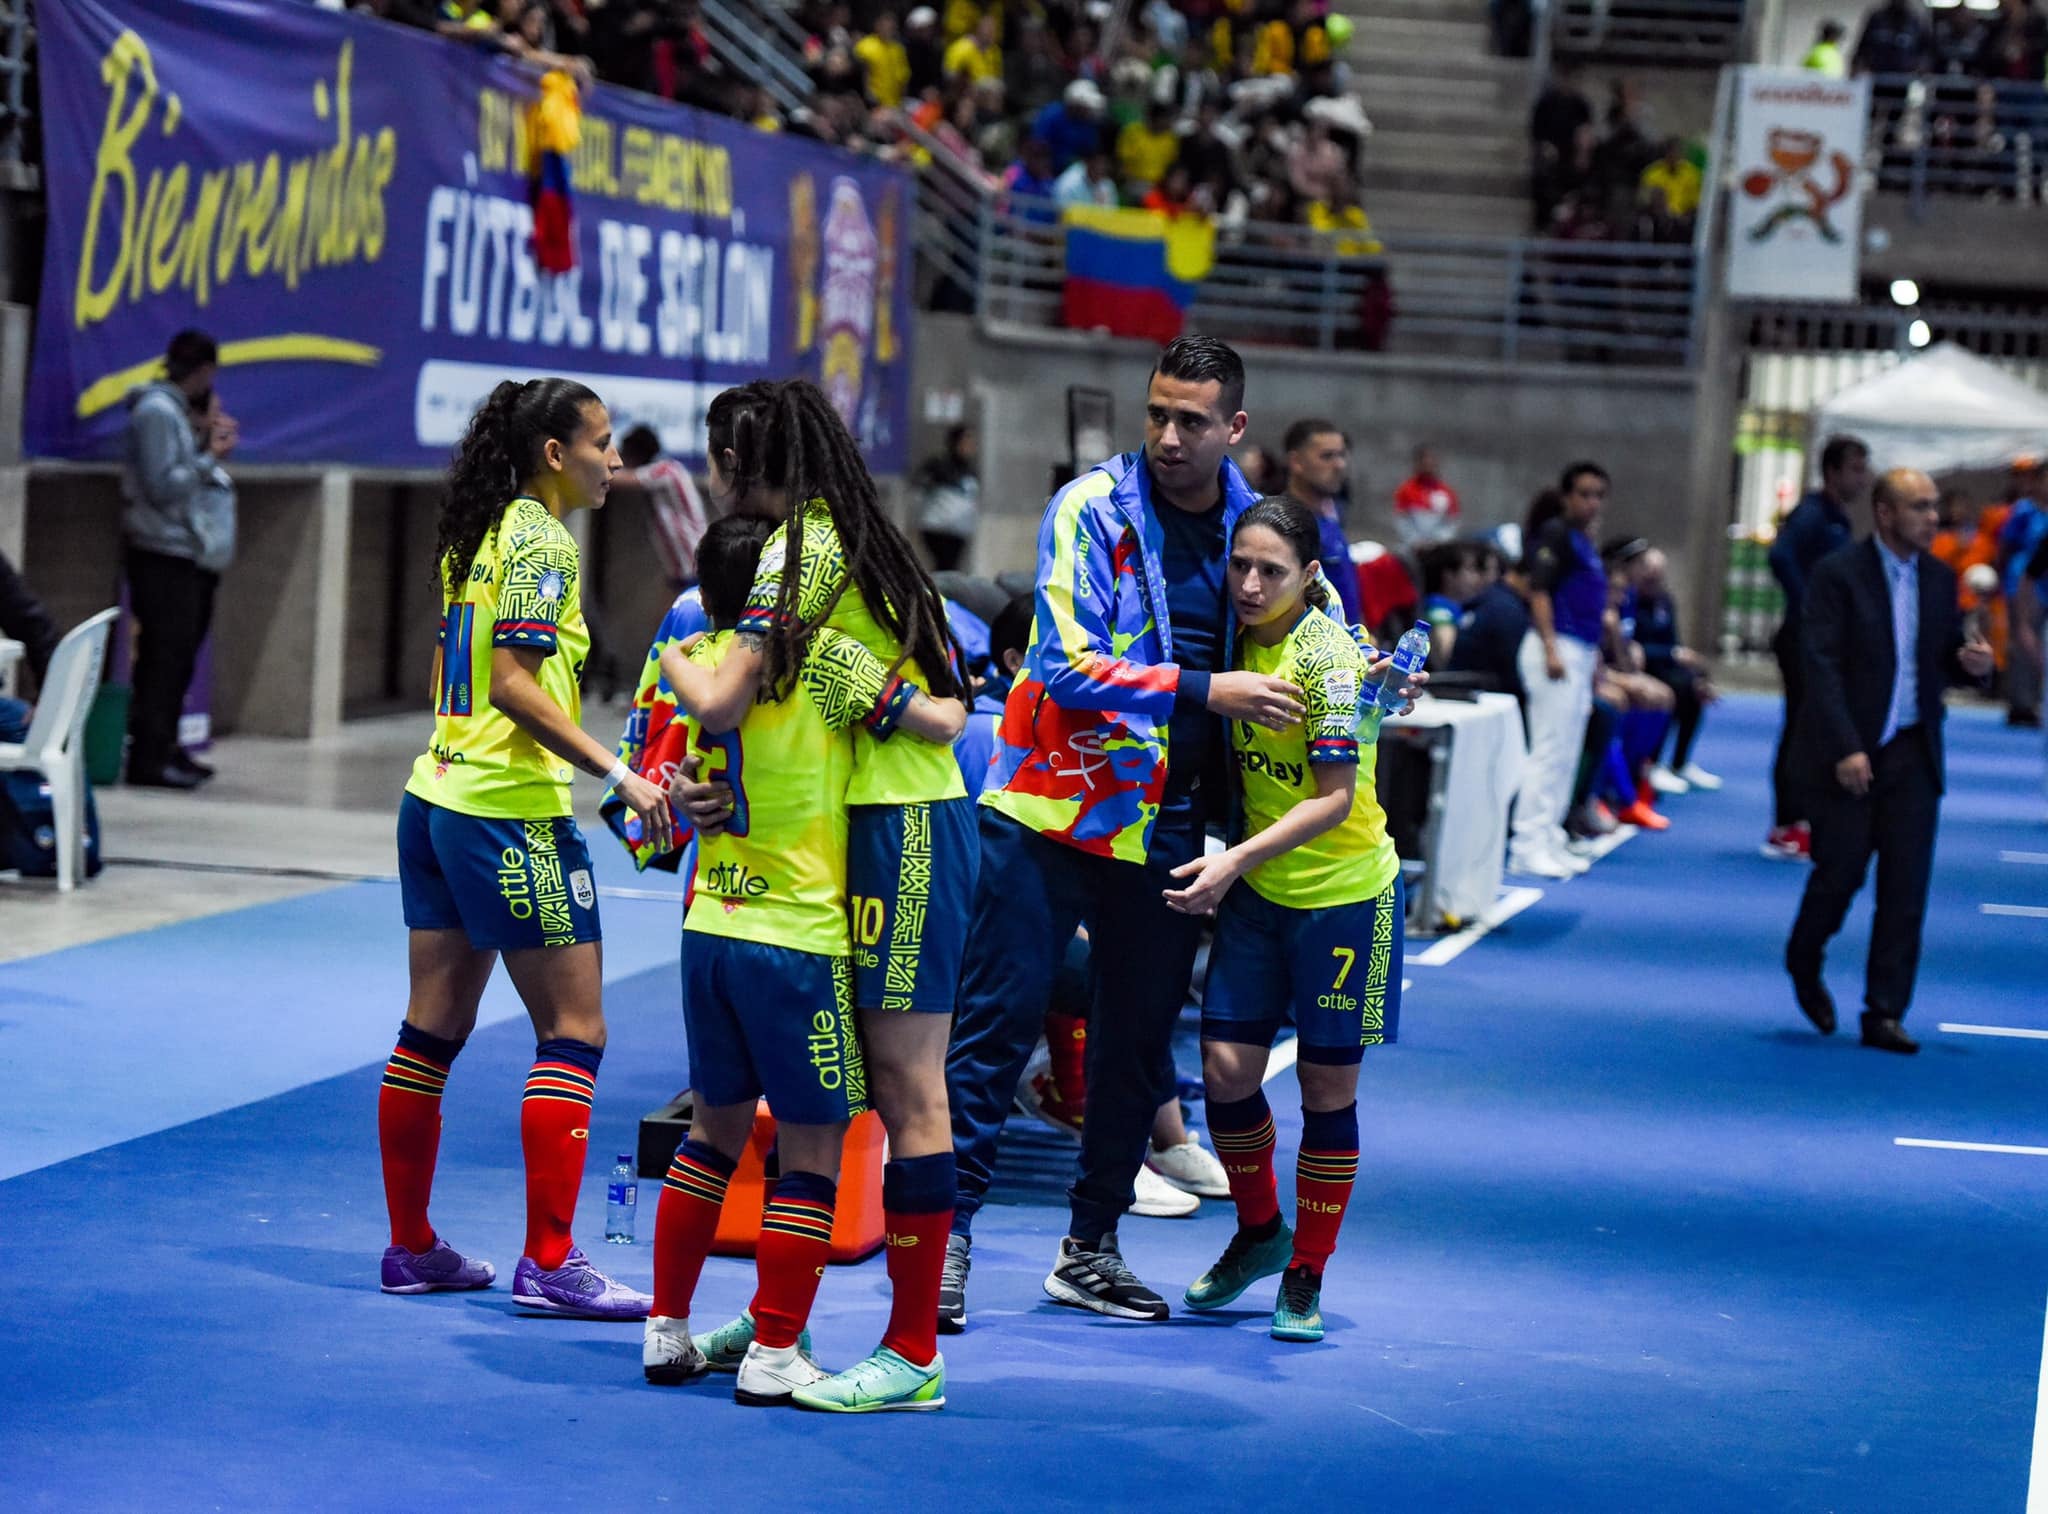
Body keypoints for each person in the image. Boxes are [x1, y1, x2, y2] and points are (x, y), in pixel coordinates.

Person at [939, 336, 1306, 1328]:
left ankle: (1090, 1248)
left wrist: (1365, 674)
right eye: (1157, 414)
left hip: (1170, 826)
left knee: (1134, 1048)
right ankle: (944, 1238)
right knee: (995, 1026)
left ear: (1234, 427)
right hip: (1051, 808)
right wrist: (1205, 689)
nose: (1168, 436)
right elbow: (1061, 663)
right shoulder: (1089, 508)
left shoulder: (1252, 525)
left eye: (1192, 420)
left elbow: (1307, 630)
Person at [662, 379, 975, 1412]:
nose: (713, 477)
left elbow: (724, 693)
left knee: (905, 1083)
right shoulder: (835, 537)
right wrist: (706, 789)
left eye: (717, 458)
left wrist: (670, 661)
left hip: (902, 826)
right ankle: (778, 1319)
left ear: (742, 462)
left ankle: (913, 1349)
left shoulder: (802, 547)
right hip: (846, 827)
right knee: (835, 1088)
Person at [378, 378, 673, 1317]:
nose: (614, 461)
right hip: (508, 816)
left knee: (430, 1033)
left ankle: (412, 1247)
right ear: (554, 453)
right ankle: (550, 1260)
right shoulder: (544, 540)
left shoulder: (480, 530)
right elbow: (512, 684)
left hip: (434, 797)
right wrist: (619, 772)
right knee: (575, 1031)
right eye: (601, 443)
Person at [1165, 495, 1405, 1344]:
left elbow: (1335, 799)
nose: (1251, 584)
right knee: (1226, 1072)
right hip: (1262, 892)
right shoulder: (1229, 641)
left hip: (1344, 897)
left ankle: (1307, 1270)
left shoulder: (1329, 658)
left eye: (1272, 571)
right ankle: (1261, 1230)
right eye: (1241, 565)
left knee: (1325, 1090)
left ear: (1309, 575)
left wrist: (1232, 859)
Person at [1784, 469, 1994, 1054]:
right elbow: (1820, 667)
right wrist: (1846, 746)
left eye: (1934, 507)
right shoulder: (1838, 575)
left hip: (1913, 749)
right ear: (1884, 513)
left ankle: (1885, 1011)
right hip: (1851, 750)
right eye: (1919, 507)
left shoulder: (1939, 578)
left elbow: (1941, 659)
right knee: (1841, 874)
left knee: (1906, 888)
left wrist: (1972, 666)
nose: (1933, 518)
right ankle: (1804, 954)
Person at [120, 329, 237, 789]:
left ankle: (167, 747)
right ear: (204, 371)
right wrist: (210, 457)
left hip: (184, 553)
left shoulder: (175, 414)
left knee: (178, 660)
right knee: (162, 661)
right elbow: (162, 486)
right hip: (160, 552)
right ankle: (148, 759)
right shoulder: (156, 412)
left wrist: (202, 440)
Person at [1767, 435, 1871, 860]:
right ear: (1832, 471)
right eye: (1855, 469)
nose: (1862, 478)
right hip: (1802, 638)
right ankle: (1786, 822)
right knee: (1800, 726)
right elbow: (1780, 555)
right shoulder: (1812, 513)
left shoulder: (1837, 517)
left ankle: (1806, 816)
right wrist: (1807, 603)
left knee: (1814, 727)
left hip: (1823, 639)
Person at [1508, 464, 1610, 879]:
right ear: (1567, 496)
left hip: (1579, 649)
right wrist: (1551, 646)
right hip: (1555, 648)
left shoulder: (1585, 542)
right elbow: (1539, 590)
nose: (1592, 502)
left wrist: (1594, 655)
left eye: (1598, 495)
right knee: (1549, 751)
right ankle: (1526, 845)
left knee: (1567, 753)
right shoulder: (1556, 534)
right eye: (1584, 494)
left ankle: (1549, 835)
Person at [1630, 547, 1721, 794]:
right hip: (1642, 667)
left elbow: (1673, 641)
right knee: (1675, 690)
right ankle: (1653, 763)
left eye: (1659, 574)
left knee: (1695, 685)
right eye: (1649, 573)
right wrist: (1670, 654)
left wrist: (1695, 673)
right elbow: (1634, 646)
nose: (1653, 579)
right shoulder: (1630, 601)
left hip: (1664, 665)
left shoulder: (1664, 601)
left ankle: (1680, 762)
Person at [1280, 419, 1365, 627]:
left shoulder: (1331, 518)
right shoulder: (1285, 525)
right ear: (1296, 462)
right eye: (1327, 456)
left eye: (1341, 455)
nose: (1340, 465)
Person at [613, 424, 711, 590]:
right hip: (683, 568)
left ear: (636, 454)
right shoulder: (667, 470)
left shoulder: (665, 470)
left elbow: (618, 480)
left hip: (693, 566)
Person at [915, 424, 981, 571]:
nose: (969, 447)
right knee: (944, 565)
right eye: (965, 442)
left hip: (959, 530)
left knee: (951, 567)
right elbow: (919, 487)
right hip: (937, 529)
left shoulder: (970, 470)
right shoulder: (939, 465)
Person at [1419, 540, 1486, 667]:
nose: (1476, 577)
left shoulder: (1464, 606)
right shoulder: (1438, 607)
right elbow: (1446, 655)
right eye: (1470, 569)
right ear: (1448, 575)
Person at [1393, 445, 1461, 548]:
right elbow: (1401, 520)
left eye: (1431, 462)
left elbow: (1452, 523)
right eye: (1424, 462)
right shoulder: (1406, 490)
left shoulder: (1447, 492)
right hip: (1411, 547)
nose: (1428, 465)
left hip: (1438, 548)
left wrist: (1438, 541)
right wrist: (1415, 541)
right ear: (1417, 463)